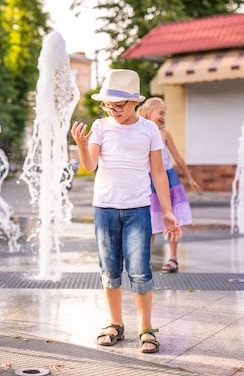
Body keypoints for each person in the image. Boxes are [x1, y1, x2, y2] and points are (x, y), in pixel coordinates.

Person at [70, 69, 182, 354]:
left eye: (118, 106)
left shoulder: (148, 130)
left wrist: (167, 212)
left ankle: (146, 328)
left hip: (138, 211)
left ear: (134, 102)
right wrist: (82, 146)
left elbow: (158, 173)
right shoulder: (101, 126)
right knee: (109, 270)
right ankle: (115, 323)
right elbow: (89, 166)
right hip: (105, 210)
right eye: (108, 105)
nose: (112, 111)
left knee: (141, 271)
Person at [137, 98, 200, 273]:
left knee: (172, 220)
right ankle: (144, 261)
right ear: (149, 113)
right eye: (161, 113)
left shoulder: (165, 134)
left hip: (169, 180)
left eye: (165, 113)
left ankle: (173, 258)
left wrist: (189, 177)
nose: (164, 117)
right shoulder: (141, 132)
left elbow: (177, 157)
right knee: (148, 222)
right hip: (149, 181)